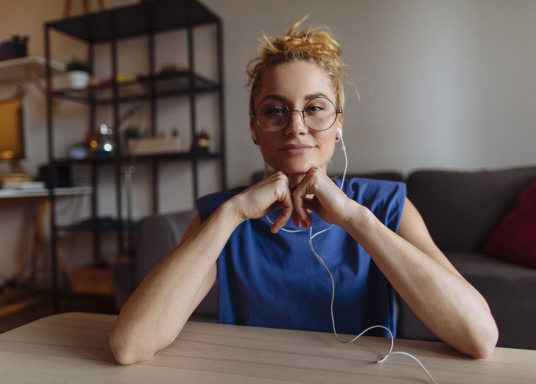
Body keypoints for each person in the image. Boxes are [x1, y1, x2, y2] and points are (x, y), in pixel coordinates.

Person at [109, 17, 498, 365]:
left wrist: (353, 217)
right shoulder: (223, 214)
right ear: (254, 128)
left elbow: (479, 337)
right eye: (275, 110)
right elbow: (129, 345)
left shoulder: (385, 205)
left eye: (314, 108)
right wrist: (232, 214)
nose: (295, 126)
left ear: (339, 123)